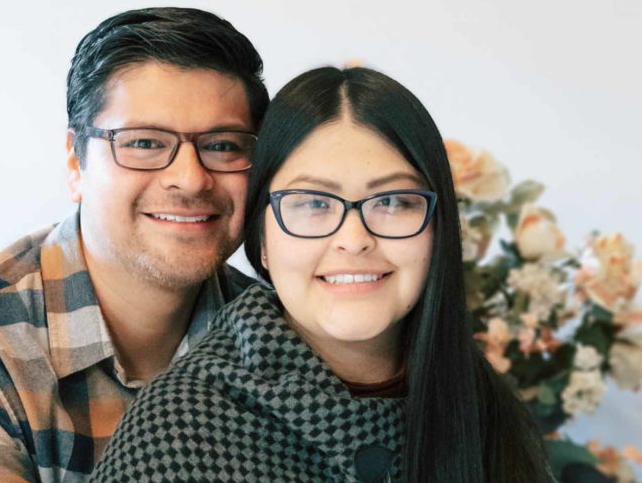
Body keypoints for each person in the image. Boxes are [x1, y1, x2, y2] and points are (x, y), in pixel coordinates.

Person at [91, 66, 553, 482]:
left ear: (437, 227)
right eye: (313, 203)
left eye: (392, 202)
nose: (353, 239)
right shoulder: (180, 431)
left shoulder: (483, 402)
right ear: (263, 239)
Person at [0, 7, 268, 481]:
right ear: (75, 162)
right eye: (143, 143)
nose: (189, 179)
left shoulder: (280, 331)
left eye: (223, 146)